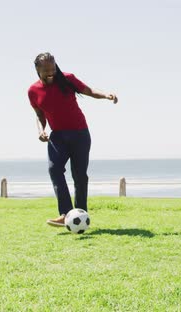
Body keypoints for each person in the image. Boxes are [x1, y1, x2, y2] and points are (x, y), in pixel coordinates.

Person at [27, 52, 118, 227]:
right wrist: (41, 130)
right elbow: (39, 115)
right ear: (37, 70)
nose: (51, 72)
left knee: (80, 176)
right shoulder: (33, 91)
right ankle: (66, 213)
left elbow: (89, 90)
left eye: (53, 68)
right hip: (58, 136)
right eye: (46, 70)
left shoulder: (67, 79)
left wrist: (106, 95)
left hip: (80, 134)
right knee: (54, 170)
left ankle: (81, 214)